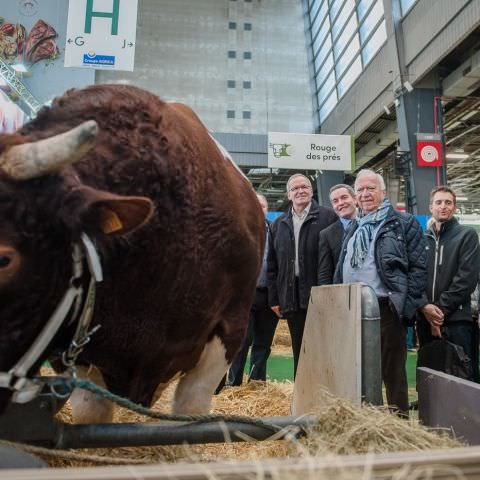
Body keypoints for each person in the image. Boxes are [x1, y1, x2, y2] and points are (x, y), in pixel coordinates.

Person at [334, 169, 426, 416]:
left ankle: (398, 423)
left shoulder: (403, 223)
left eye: (370, 188)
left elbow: (418, 269)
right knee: (359, 368)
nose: (365, 194)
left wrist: (404, 307)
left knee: (392, 371)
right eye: (360, 190)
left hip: (386, 307)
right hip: (353, 307)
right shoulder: (355, 226)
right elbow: (342, 265)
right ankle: (365, 418)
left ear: (383, 192)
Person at [267, 173, 337, 378]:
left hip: (319, 293)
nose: (300, 191)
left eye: (304, 186)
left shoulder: (328, 217)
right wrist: (274, 298)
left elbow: (335, 258)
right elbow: (272, 265)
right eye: (295, 188)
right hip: (291, 295)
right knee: (299, 346)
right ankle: (302, 391)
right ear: (289, 195)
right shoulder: (278, 224)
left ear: (312, 190)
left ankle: (325, 389)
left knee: (322, 345)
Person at [417, 186, 480, 381]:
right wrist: (425, 306)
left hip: (457, 319)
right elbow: (415, 276)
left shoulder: (466, 235)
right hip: (425, 318)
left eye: (448, 202)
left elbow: (466, 278)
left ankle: (465, 412)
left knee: (462, 374)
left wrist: (440, 310)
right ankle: (432, 411)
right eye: (438, 202)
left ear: (454, 207)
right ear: (431, 207)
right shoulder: (421, 239)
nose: (443, 206)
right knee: (430, 373)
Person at [227, 194, 279, 385]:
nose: (259, 208)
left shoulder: (275, 230)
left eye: (263, 205)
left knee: (263, 344)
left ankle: (256, 383)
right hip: (244, 297)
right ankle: (233, 384)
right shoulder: (236, 231)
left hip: (268, 295)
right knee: (241, 342)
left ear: (267, 209)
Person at [317, 184, 357, 285]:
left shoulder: (371, 224)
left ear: (355, 199)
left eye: (344, 197)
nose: (340, 203)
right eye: (335, 201)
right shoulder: (326, 234)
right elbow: (324, 273)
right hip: (343, 293)